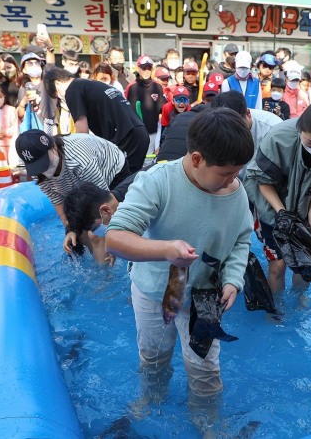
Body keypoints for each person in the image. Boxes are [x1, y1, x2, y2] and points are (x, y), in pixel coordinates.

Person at [105, 108, 253, 434]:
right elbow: (115, 239)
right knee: (154, 357)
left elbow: (242, 239)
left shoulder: (236, 190)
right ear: (197, 159)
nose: (233, 181)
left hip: (205, 296)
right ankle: (152, 398)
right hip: (153, 291)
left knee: (206, 368)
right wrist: (167, 250)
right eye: (226, 174)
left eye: (237, 173)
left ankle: (206, 420)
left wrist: (232, 280)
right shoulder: (158, 182)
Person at [244, 100, 311, 292]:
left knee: (306, 262)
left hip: (305, 207)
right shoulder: (278, 138)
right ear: (300, 128)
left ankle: (300, 297)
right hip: (270, 205)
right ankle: (276, 311)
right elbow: (263, 181)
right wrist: (282, 213)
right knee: (278, 266)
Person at [16, 130, 129, 227]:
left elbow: (105, 201)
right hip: (79, 178)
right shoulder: (38, 171)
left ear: (54, 146)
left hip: (112, 169)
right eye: (38, 166)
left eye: (45, 162)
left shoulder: (79, 160)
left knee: (113, 217)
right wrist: (70, 229)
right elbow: (58, 201)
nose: (44, 170)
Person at [44, 68, 149, 174]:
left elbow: (82, 132)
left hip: (127, 138)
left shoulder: (72, 90)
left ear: (57, 84)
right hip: (138, 132)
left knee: (119, 185)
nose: (60, 98)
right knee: (131, 183)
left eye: (57, 95)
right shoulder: (90, 84)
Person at [125, 55, 166, 145]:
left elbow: (162, 109)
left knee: (151, 158)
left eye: (149, 68)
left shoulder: (158, 86)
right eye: (144, 68)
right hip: (137, 132)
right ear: (138, 69)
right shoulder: (132, 87)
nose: (146, 71)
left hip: (153, 132)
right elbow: (127, 111)